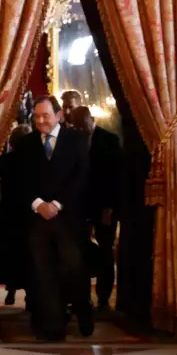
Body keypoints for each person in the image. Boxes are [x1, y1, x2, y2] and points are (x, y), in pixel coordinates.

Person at [12, 96, 92, 341]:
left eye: (45, 116)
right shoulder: (26, 145)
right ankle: (52, 326)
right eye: (36, 117)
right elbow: (21, 180)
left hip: (67, 218)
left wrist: (57, 204)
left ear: (58, 115)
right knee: (42, 272)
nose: (40, 121)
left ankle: (83, 310)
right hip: (38, 219)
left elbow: (81, 177)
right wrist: (38, 205)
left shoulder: (76, 140)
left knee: (73, 267)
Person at [68, 106, 122, 310]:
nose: (81, 129)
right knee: (78, 253)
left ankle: (103, 298)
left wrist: (109, 208)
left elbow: (115, 178)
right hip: (79, 207)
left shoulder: (109, 140)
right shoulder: (73, 141)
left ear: (91, 119)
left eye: (83, 125)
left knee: (105, 252)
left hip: (104, 207)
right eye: (77, 126)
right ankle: (79, 298)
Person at [0, 124, 32, 307]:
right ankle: (29, 296)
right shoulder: (34, 162)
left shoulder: (5, 161)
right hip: (27, 215)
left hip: (8, 214)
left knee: (11, 255)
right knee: (28, 257)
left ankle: (10, 291)